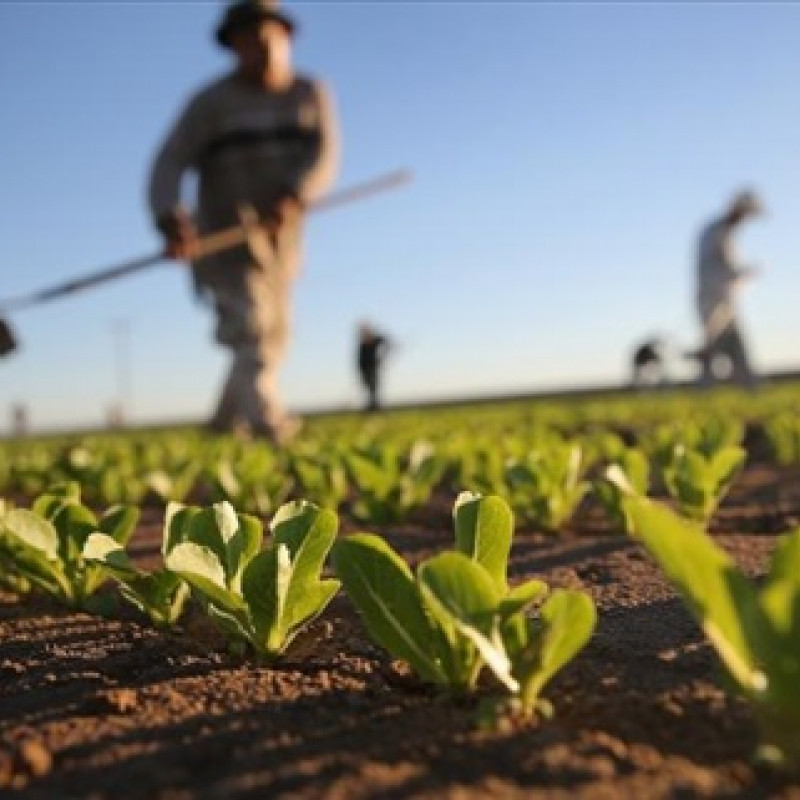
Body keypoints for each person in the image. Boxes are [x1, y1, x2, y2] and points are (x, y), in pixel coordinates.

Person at [147, 0, 339, 443]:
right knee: (250, 327)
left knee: (273, 337)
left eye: (269, 38)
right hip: (224, 239)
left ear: (287, 38)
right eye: (249, 40)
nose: (261, 49)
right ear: (233, 46)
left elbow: (323, 156)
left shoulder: (310, 94)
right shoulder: (210, 104)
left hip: (282, 243)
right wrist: (168, 216)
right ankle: (268, 425)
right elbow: (169, 161)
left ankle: (221, 424)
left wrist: (297, 193)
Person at [693, 189, 762, 388]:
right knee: (713, 347)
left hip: (725, 302)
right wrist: (742, 273)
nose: (745, 219)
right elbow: (712, 270)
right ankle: (705, 391)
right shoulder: (715, 232)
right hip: (712, 301)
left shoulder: (727, 234)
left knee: (735, 346)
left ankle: (749, 387)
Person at [356, 322, 391, 412]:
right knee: (369, 388)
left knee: (374, 388)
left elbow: (387, 343)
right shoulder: (362, 345)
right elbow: (360, 360)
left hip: (373, 368)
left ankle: (375, 406)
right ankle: (372, 406)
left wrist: (382, 356)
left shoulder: (375, 339)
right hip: (365, 370)